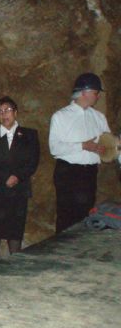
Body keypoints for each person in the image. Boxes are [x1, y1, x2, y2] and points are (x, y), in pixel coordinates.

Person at [0, 96, 40, 264]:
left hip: (18, 189)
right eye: (0, 112)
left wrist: (17, 177)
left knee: (15, 229)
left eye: (7, 110)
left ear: (16, 112)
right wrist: (4, 177)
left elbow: (33, 162)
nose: (4, 114)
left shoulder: (29, 135)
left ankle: (15, 265)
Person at [49, 73, 110, 234]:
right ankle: (62, 249)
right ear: (84, 92)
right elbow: (54, 148)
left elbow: (108, 144)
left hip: (89, 173)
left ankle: (79, 249)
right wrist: (83, 145)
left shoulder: (99, 117)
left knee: (85, 216)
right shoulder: (61, 116)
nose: (98, 96)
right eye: (96, 92)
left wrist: (104, 149)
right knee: (66, 217)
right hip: (68, 172)